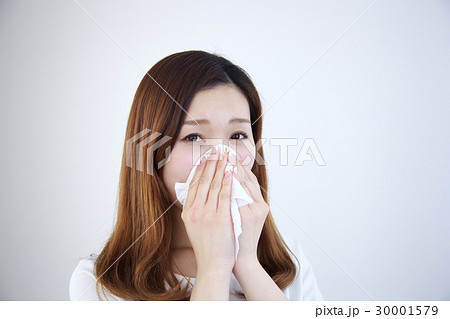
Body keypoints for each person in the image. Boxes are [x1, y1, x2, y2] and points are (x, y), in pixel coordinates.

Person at [69, 50, 324, 301]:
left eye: (237, 136)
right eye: (193, 137)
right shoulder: (99, 282)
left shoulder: (290, 259)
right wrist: (214, 267)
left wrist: (247, 263)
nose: (221, 157)